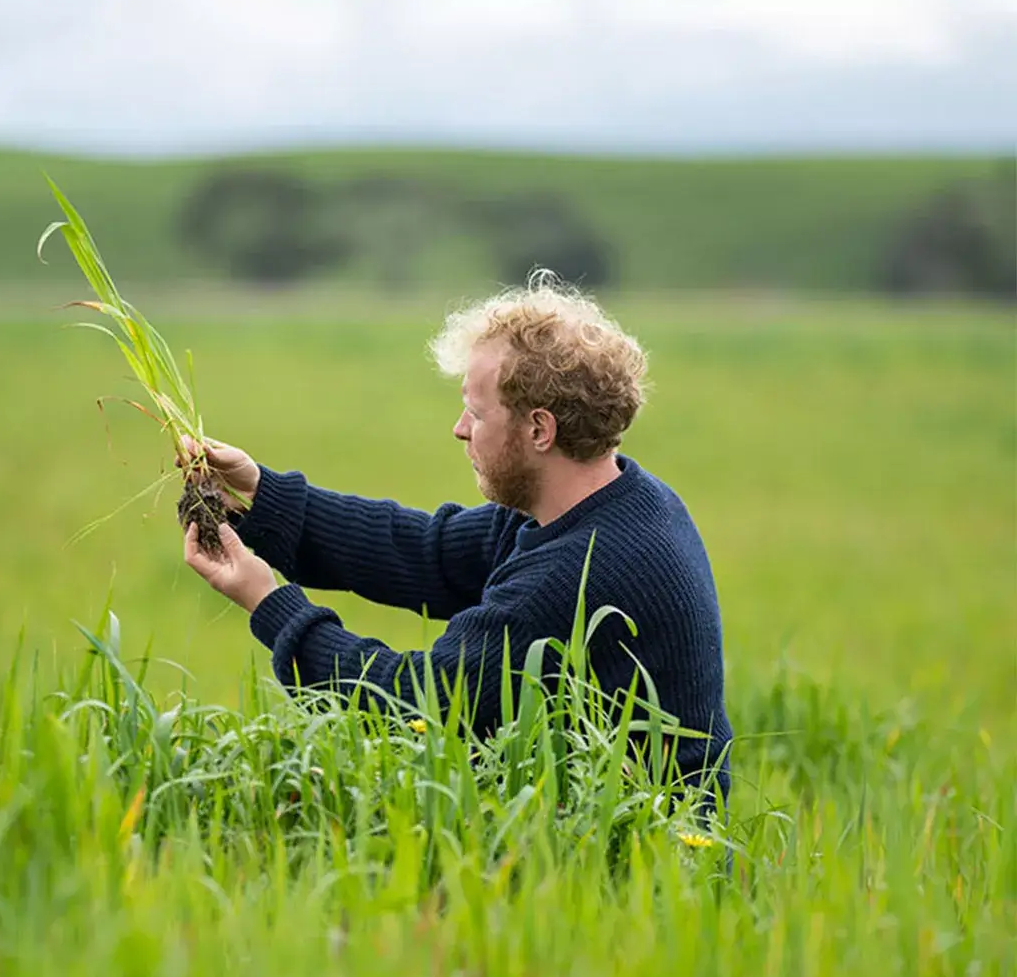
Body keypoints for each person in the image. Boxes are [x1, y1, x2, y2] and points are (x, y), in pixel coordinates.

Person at [183, 275, 732, 796]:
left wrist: (267, 603)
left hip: (652, 859)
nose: (460, 428)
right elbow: (427, 552)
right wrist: (264, 494)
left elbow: (411, 704)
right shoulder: (613, 499)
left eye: (475, 411)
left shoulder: (575, 576)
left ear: (540, 429)